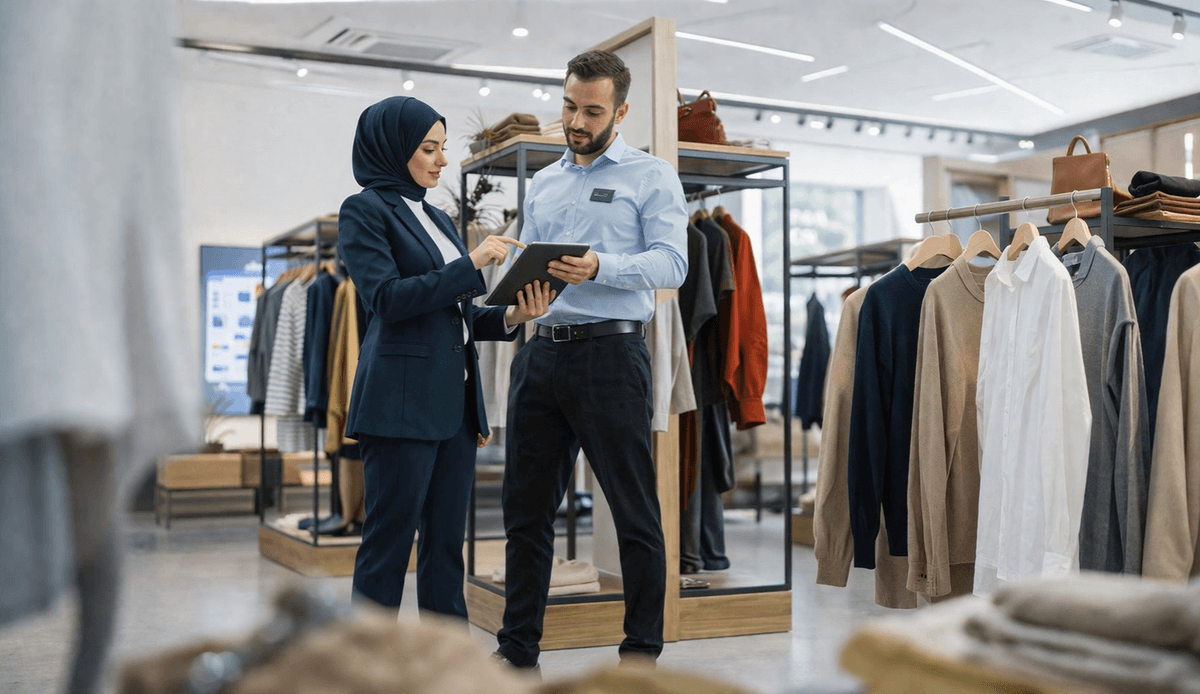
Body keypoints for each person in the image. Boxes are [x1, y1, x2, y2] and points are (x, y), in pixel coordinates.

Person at [493, 50, 689, 669]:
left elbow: (673, 263)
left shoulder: (652, 175)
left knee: (634, 512)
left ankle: (640, 656)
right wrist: (512, 286)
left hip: (611, 353)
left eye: (593, 110)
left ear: (621, 110)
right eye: (570, 106)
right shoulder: (545, 180)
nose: (578, 120)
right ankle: (517, 649)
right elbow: (526, 256)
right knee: (525, 514)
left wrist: (604, 265)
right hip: (540, 356)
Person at [338, 96, 553, 618]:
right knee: (387, 548)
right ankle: (367, 670)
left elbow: (451, 317)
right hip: (399, 406)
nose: (440, 160)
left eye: (442, 148)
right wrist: (474, 262)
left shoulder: (435, 216)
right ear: (393, 150)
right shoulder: (364, 210)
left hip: (453, 410)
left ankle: (446, 667)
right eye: (428, 148)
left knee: (445, 550)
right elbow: (387, 300)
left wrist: (510, 317)